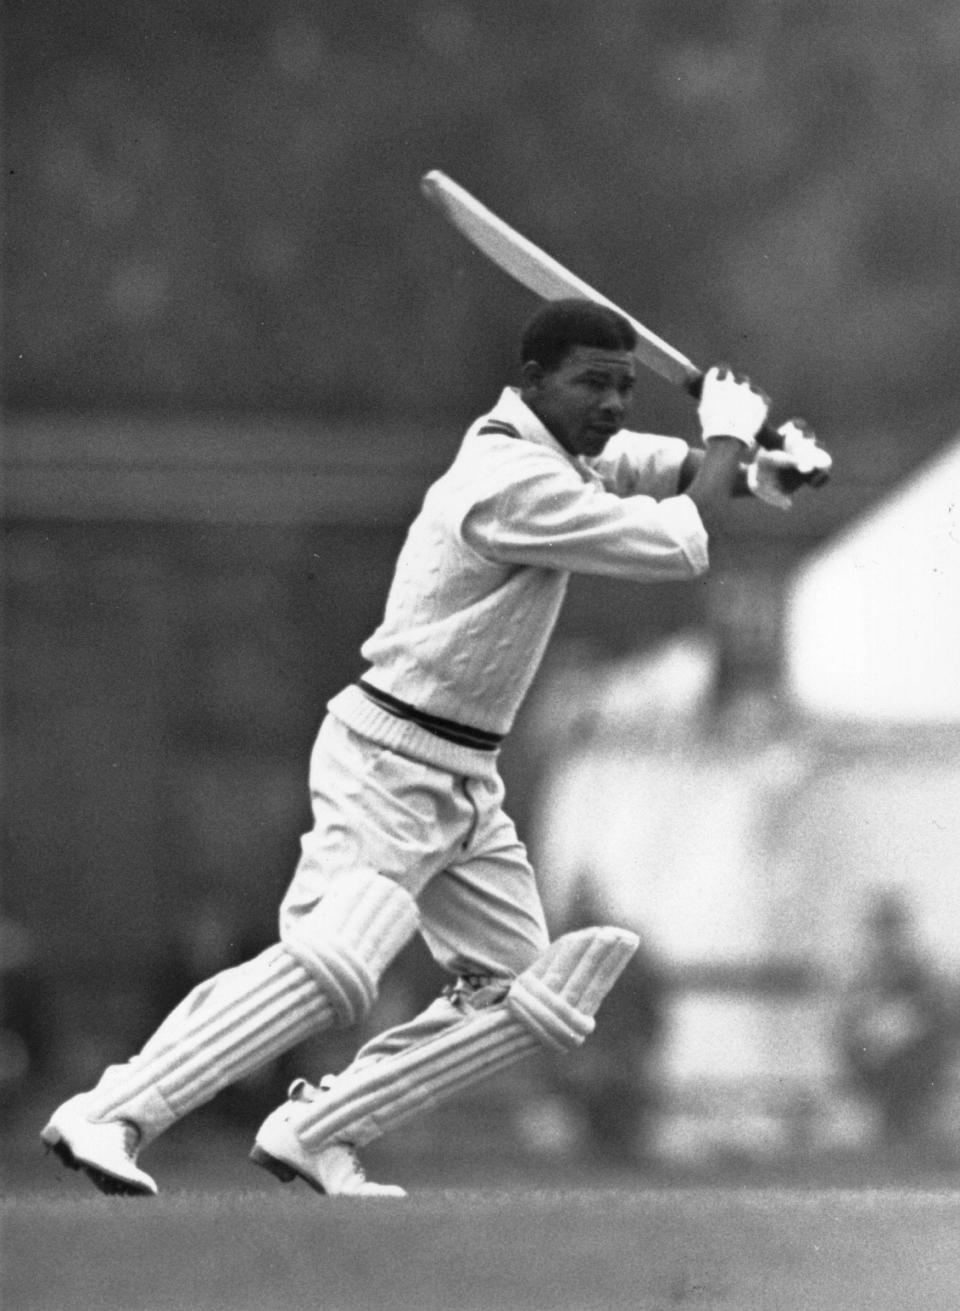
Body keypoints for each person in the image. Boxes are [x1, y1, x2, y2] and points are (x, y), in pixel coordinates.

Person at [41, 298, 830, 1198]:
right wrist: (727, 434)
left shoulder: (559, 453)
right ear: (533, 381)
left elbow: (666, 468)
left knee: (530, 999)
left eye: (622, 385)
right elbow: (675, 541)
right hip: (388, 758)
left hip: (464, 776)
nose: (613, 403)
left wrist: (758, 464)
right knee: (337, 959)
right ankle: (113, 1108)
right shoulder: (508, 480)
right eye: (592, 383)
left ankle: (320, 1126)